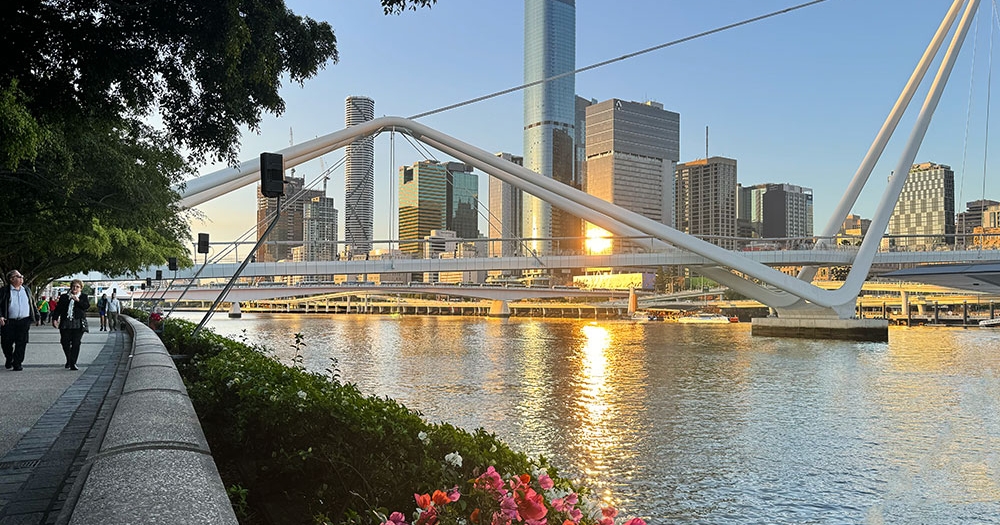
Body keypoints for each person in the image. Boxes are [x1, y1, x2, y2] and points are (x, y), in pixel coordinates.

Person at [1, 270, 41, 371]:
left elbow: (32, 303)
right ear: (11, 279)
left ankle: (17, 363)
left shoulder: (26, 289)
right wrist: (0, 316)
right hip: (9, 321)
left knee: (22, 342)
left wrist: (37, 316)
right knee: (6, 343)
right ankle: (9, 358)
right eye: (18, 276)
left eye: (21, 276)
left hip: (24, 321)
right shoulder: (4, 291)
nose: (21, 278)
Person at [52, 279, 90, 370]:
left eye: (77, 287)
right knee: (65, 342)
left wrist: (78, 300)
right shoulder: (64, 297)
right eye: (73, 286)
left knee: (76, 343)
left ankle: (73, 363)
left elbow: (86, 307)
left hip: (78, 323)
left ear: (81, 288)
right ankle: (69, 359)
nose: (75, 288)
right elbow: (58, 309)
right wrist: (55, 319)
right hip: (66, 322)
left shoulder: (83, 297)